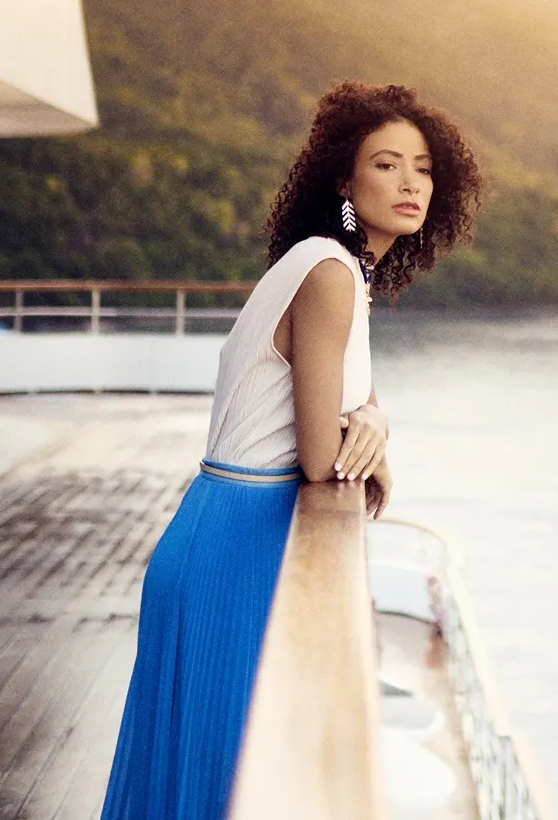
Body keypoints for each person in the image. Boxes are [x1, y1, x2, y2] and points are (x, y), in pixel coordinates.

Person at [99, 82, 483, 820]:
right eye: (386, 164)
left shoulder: (336, 267)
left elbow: (337, 406)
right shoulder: (331, 273)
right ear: (345, 178)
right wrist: (372, 430)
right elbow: (318, 457)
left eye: (424, 167)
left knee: (200, 785)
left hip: (226, 530)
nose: (410, 182)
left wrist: (373, 416)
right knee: (224, 783)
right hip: (234, 549)